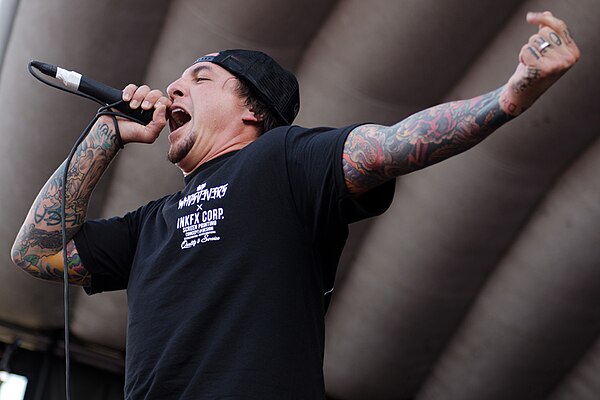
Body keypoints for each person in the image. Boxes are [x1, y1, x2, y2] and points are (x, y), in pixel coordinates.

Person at [11, 11, 579, 399]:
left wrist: (511, 96)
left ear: (253, 110)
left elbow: (396, 142)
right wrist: (104, 133)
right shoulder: (150, 224)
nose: (173, 90)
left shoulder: (287, 161)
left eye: (200, 78)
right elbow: (36, 251)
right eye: (176, 80)